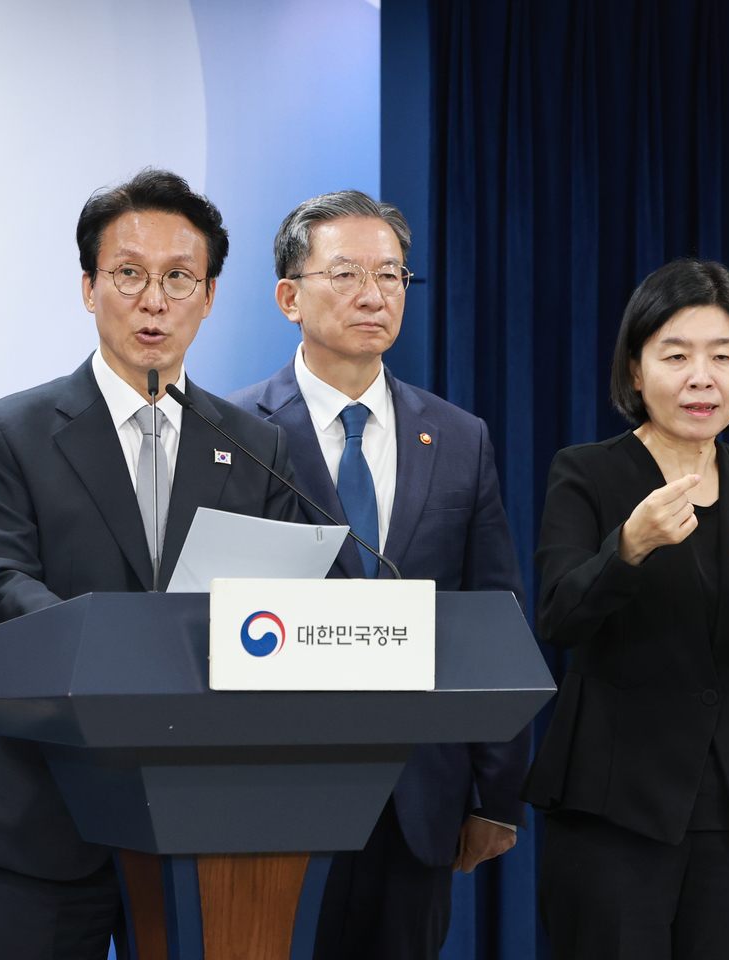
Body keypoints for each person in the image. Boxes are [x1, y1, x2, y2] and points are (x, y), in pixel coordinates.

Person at [0, 168, 300, 959]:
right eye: (129, 274)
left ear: (209, 297)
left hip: (203, 811)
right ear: (89, 287)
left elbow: (278, 601)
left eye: (179, 278)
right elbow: (0, 582)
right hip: (49, 807)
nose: (154, 302)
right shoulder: (12, 431)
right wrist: (122, 658)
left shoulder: (257, 447)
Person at [227, 190, 529, 960]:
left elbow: (493, 616)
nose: (374, 295)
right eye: (347, 274)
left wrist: (497, 794)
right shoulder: (230, 434)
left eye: (391, 275)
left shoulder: (459, 438)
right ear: (290, 297)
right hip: (273, 796)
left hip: (418, 798)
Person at [524, 259, 729, 959]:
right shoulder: (587, 471)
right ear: (635, 371)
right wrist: (627, 549)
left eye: (723, 357)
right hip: (615, 801)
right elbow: (557, 619)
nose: (702, 378)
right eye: (676, 356)